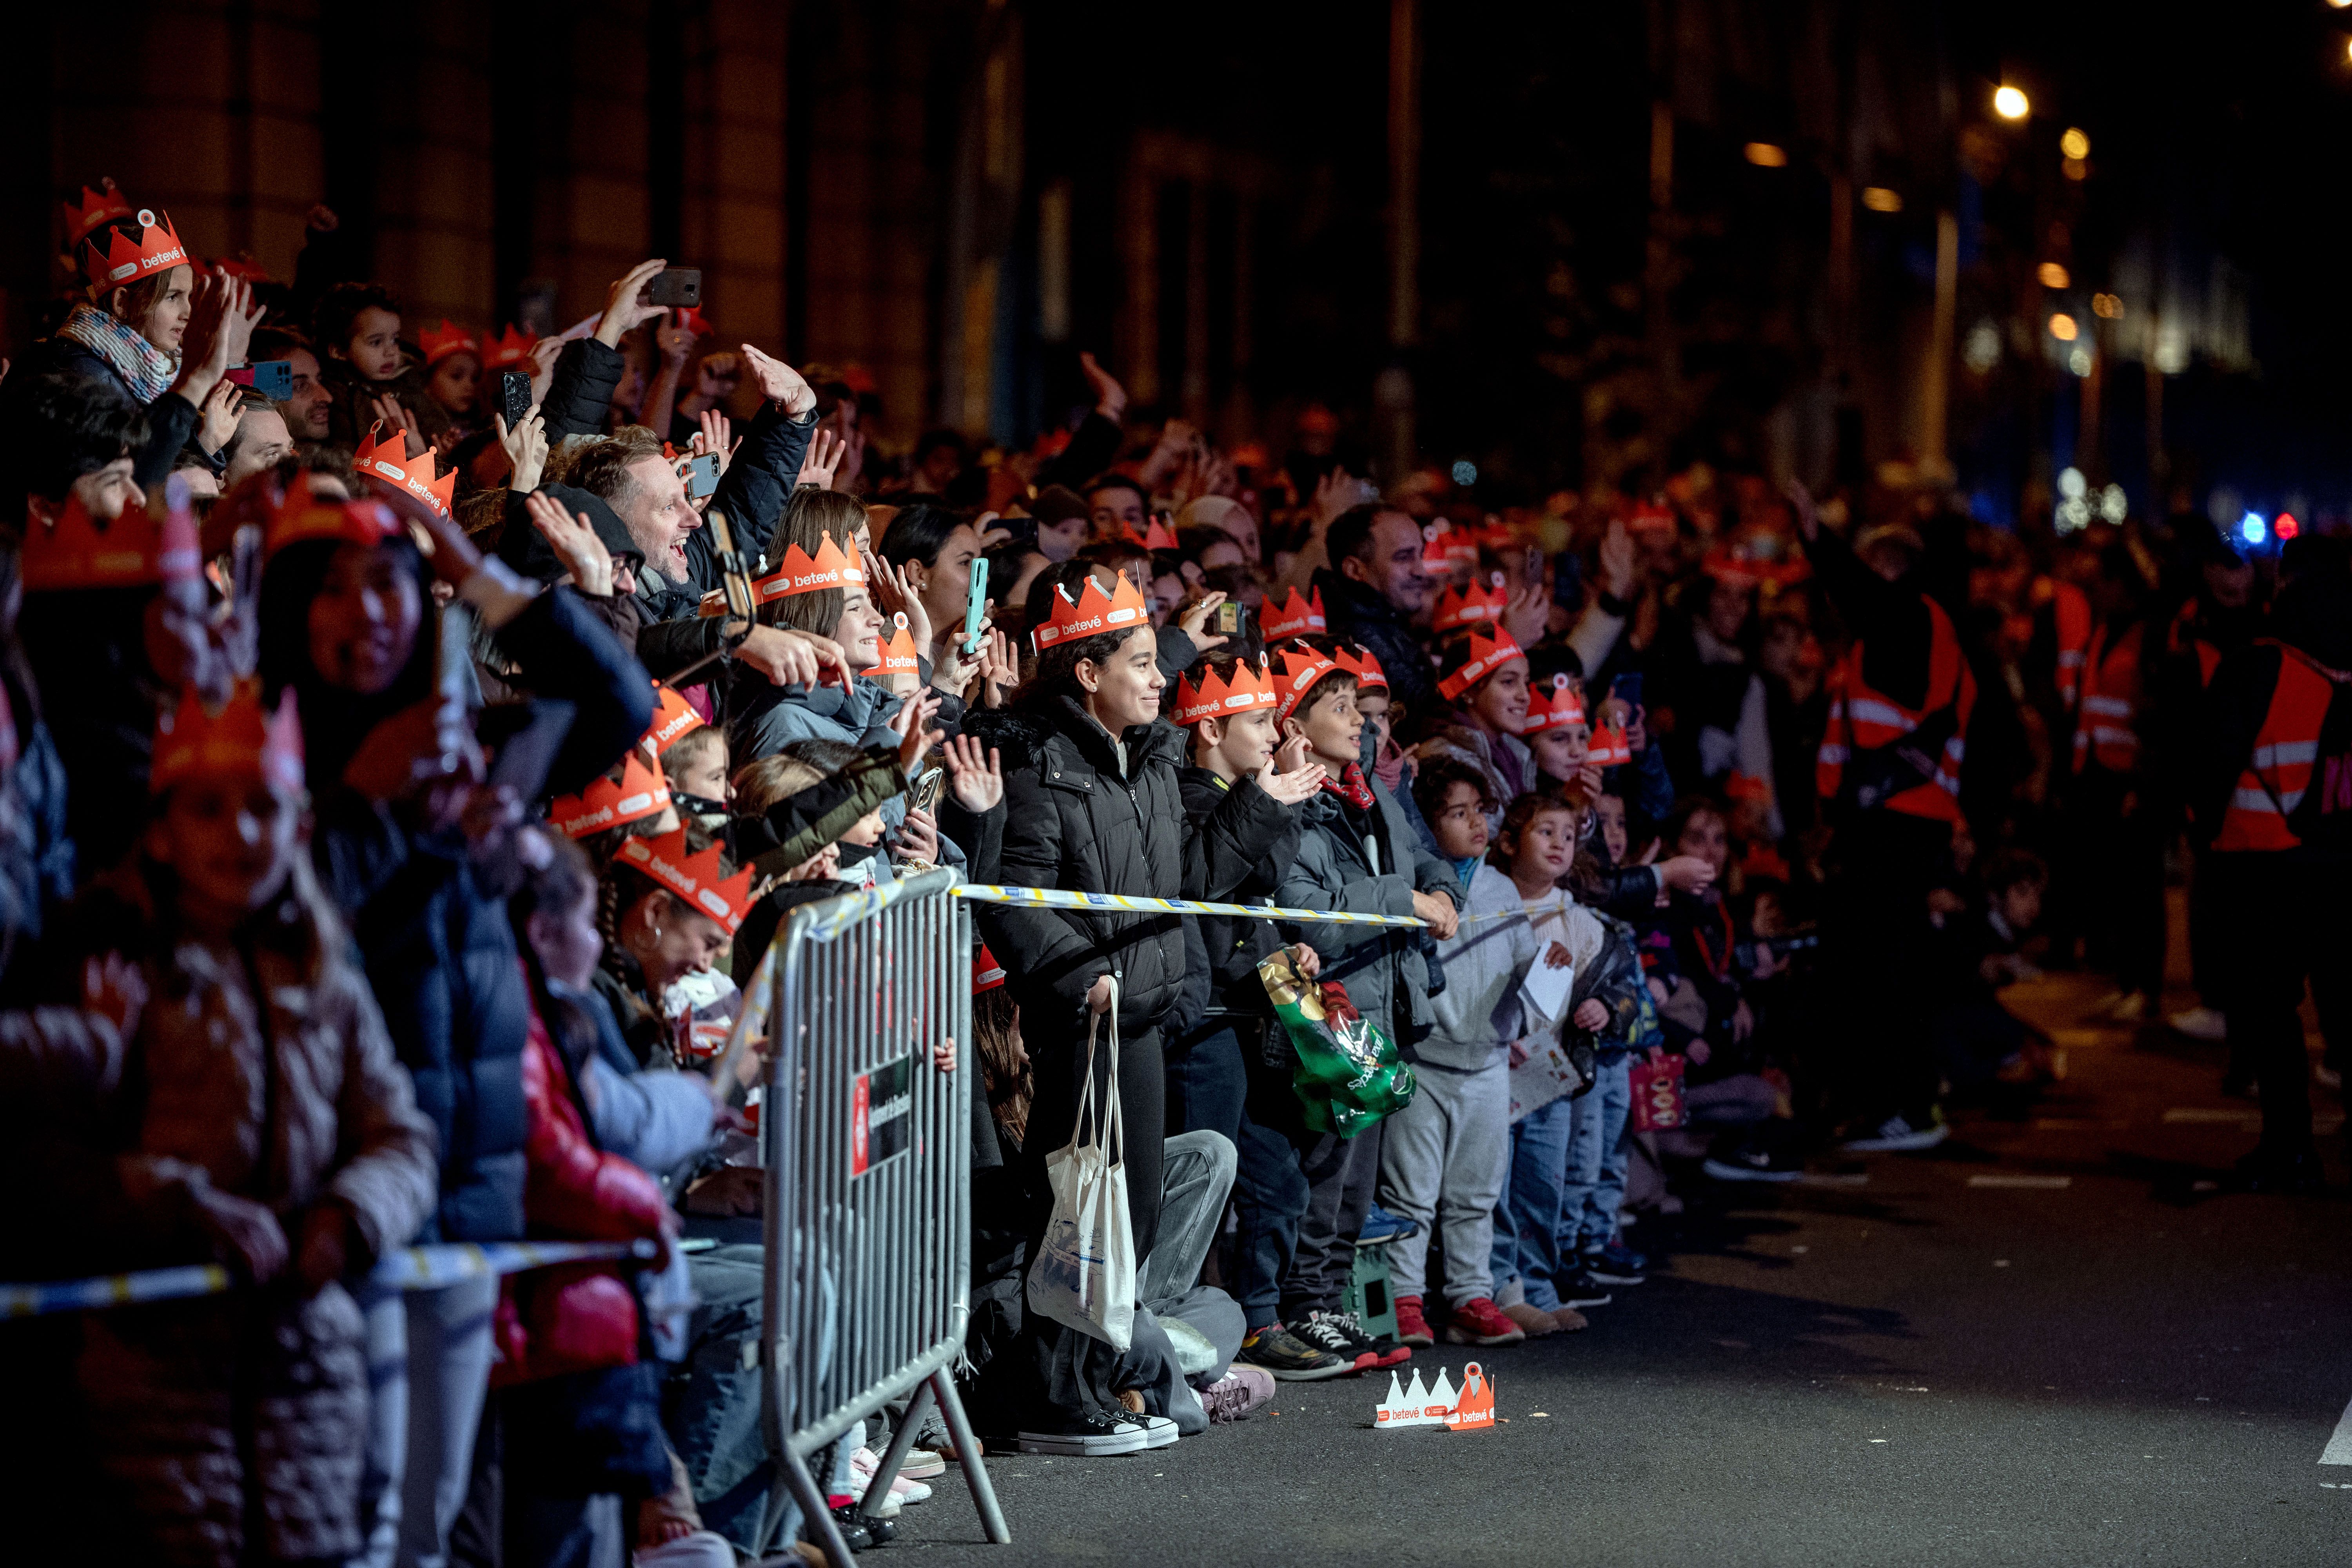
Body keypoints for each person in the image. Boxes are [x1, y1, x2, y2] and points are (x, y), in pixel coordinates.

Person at [15, 679, 437, 1567]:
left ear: (301, 829)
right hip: (153, 1395)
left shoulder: (323, 979)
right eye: (208, 810)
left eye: (264, 810)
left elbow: (398, 1135)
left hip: (310, 1386)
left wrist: (350, 1215)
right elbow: (49, 1157)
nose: (241, 833)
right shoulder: (114, 963)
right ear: (162, 833)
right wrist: (185, 1207)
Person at [971, 568, 1191, 1455]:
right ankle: (1050, 1395)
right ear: (1087, 673)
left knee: (1129, 1207)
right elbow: (1011, 895)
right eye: (1141, 662)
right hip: (1086, 1022)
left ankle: (1091, 1383)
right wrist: (1078, 977)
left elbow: (1185, 888)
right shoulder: (1040, 763)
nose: (1161, 677)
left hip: (1142, 1019)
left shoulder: (1147, 756)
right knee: (1078, 1207)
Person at [1269, 641, 1461, 1371]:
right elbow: (1307, 913)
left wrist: (1443, 892)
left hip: (1381, 1005)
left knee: (1356, 1181)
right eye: (1341, 707)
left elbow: (1423, 854)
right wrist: (1401, 901)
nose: (1360, 723)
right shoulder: (1293, 802)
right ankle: (1305, 1309)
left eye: (1359, 707)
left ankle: (1333, 1304)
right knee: (1321, 1173)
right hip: (1330, 1013)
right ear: (1296, 722)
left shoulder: (1365, 788)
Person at [1165, 651, 1342, 1380]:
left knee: (1277, 1174)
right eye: (1259, 721)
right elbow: (1234, 873)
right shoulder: (1189, 797)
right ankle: (1190, 1322)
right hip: (1205, 1017)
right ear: (1209, 729)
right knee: (1201, 1179)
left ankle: (1260, 1321)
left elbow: (1260, 895)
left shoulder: (1246, 789)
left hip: (1252, 1007)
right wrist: (1277, 799)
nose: (1274, 734)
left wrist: (1285, 950)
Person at [1795, 484, 1975, 1152]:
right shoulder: (1919, 633)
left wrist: (1819, 540)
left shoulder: (1911, 621)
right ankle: (1893, 1101)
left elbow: (1866, 597)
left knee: (1884, 969)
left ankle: (1905, 1105)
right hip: (1893, 819)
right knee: (1880, 965)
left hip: (1897, 823)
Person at [2189, 566, 2352, 1193]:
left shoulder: (2265, 666)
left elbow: (2215, 757)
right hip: (2342, 865)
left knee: (2271, 1013)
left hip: (2268, 865)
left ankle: (2290, 1148)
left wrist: (2204, 831)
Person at [1312, 503, 1438, 716]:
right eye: (1404, 557)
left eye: (1421, 556)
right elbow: (1427, 715)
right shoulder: (1356, 639)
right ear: (1355, 569)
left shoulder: (1383, 622)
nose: (1422, 572)